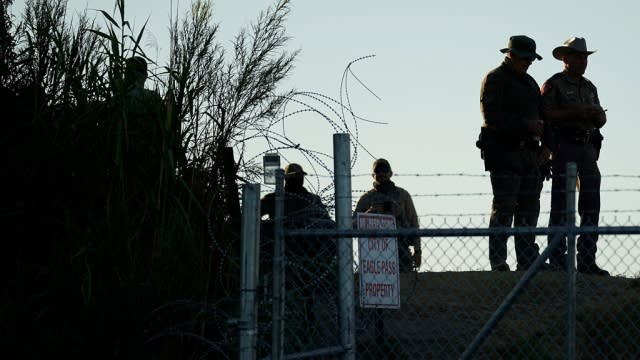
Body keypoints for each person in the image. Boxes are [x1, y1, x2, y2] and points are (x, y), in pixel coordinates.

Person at [477, 35, 552, 271]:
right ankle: (499, 261)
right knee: (504, 209)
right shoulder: (495, 80)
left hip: (530, 155)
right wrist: (525, 125)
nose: (528, 62)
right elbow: (492, 120)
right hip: (504, 153)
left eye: (531, 59)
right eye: (525, 58)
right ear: (511, 55)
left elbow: (543, 119)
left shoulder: (530, 84)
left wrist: (545, 149)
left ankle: (527, 260)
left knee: (529, 210)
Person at [541, 37, 609, 276]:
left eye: (585, 57)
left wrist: (599, 117)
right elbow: (545, 115)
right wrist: (575, 113)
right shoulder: (553, 84)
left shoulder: (590, 87)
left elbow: (599, 119)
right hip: (564, 148)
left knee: (591, 204)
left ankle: (587, 260)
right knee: (561, 205)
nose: (583, 61)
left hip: (587, 149)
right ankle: (557, 260)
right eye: (578, 57)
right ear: (565, 59)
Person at [354, 158, 421, 272]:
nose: (381, 173)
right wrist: (369, 213)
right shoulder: (367, 199)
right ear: (373, 175)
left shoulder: (402, 196)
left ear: (390, 173)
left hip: (401, 247)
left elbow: (414, 223)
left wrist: (418, 251)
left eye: (384, 170)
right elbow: (352, 224)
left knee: (405, 283)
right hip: (374, 251)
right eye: (378, 171)